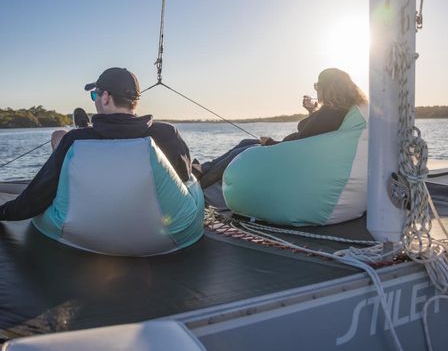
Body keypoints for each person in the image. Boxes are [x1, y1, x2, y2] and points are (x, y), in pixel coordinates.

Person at [0, 67, 192, 221]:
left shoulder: (76, 141)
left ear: (106, 97)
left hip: (87, 222)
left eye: (95, 96)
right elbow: (184, 177)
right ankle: (85, 125)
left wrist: (4, 212)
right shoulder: (167, 133)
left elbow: (35, 198)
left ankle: (85, 126)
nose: (95, 101)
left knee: (59, 138)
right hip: (155, 226)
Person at [196, 67, 368, 188]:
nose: (316, 90)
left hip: (289, 157)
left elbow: (302, 144)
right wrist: (312, 111)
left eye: (317, 86)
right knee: (246, 141)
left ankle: (201, 184)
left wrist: (270, 143)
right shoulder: (339, 110)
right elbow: (315, 136)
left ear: (328, 87)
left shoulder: (331, 112)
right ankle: (203, 168)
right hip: (293, 152)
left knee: (241, 152)